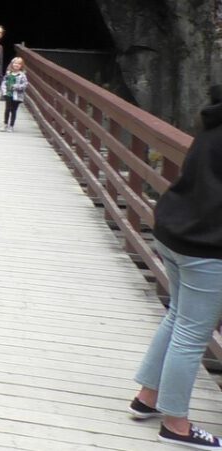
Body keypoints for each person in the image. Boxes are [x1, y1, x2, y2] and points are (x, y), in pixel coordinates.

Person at [130, 85, 222, 448]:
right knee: (192, 334)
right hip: (205, 244)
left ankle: (147, 397)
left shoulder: (213, 120)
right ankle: (175, 424)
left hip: (173, 230)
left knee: (178, 319)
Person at [0, 57, 28, 132]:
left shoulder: (22, 75)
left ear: (21, 66)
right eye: (15, 63)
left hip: (17, 95)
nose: (16, 65)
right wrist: (4, 91)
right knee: (7, 109)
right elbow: (4, 82)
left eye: (19, 64)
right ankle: (5, 124)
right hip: (8, 94)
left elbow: (25, 85)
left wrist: (16, 87)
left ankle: (11, 125)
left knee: (13, 110)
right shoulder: (8, 73)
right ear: (12, 64)